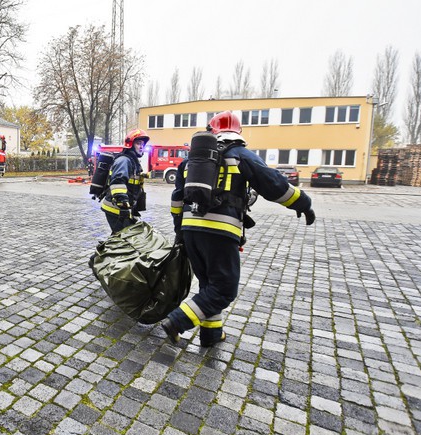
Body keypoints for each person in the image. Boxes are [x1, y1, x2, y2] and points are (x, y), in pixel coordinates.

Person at [163, 111, 316, 347]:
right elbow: (274, 185)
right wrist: (303, 203)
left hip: (191, 231)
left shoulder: (190, 162)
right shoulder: (240, 156)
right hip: (221, 233)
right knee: (224, 289)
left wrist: (180, 232)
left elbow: (176, 199)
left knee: (209, 286)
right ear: (237, 133)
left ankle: (211, 335)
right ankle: (177, 321)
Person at [100, 129, 150, 234]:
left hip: (123, 209)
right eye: (138, 143)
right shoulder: (124, 160)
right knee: (123, 240)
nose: (141, 147)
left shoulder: (132, 161)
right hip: (116, 209)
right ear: (130, 145)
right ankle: (107, 250)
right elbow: (118, 183)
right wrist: (123, 205)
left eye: (143, 144)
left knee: (121, 239)